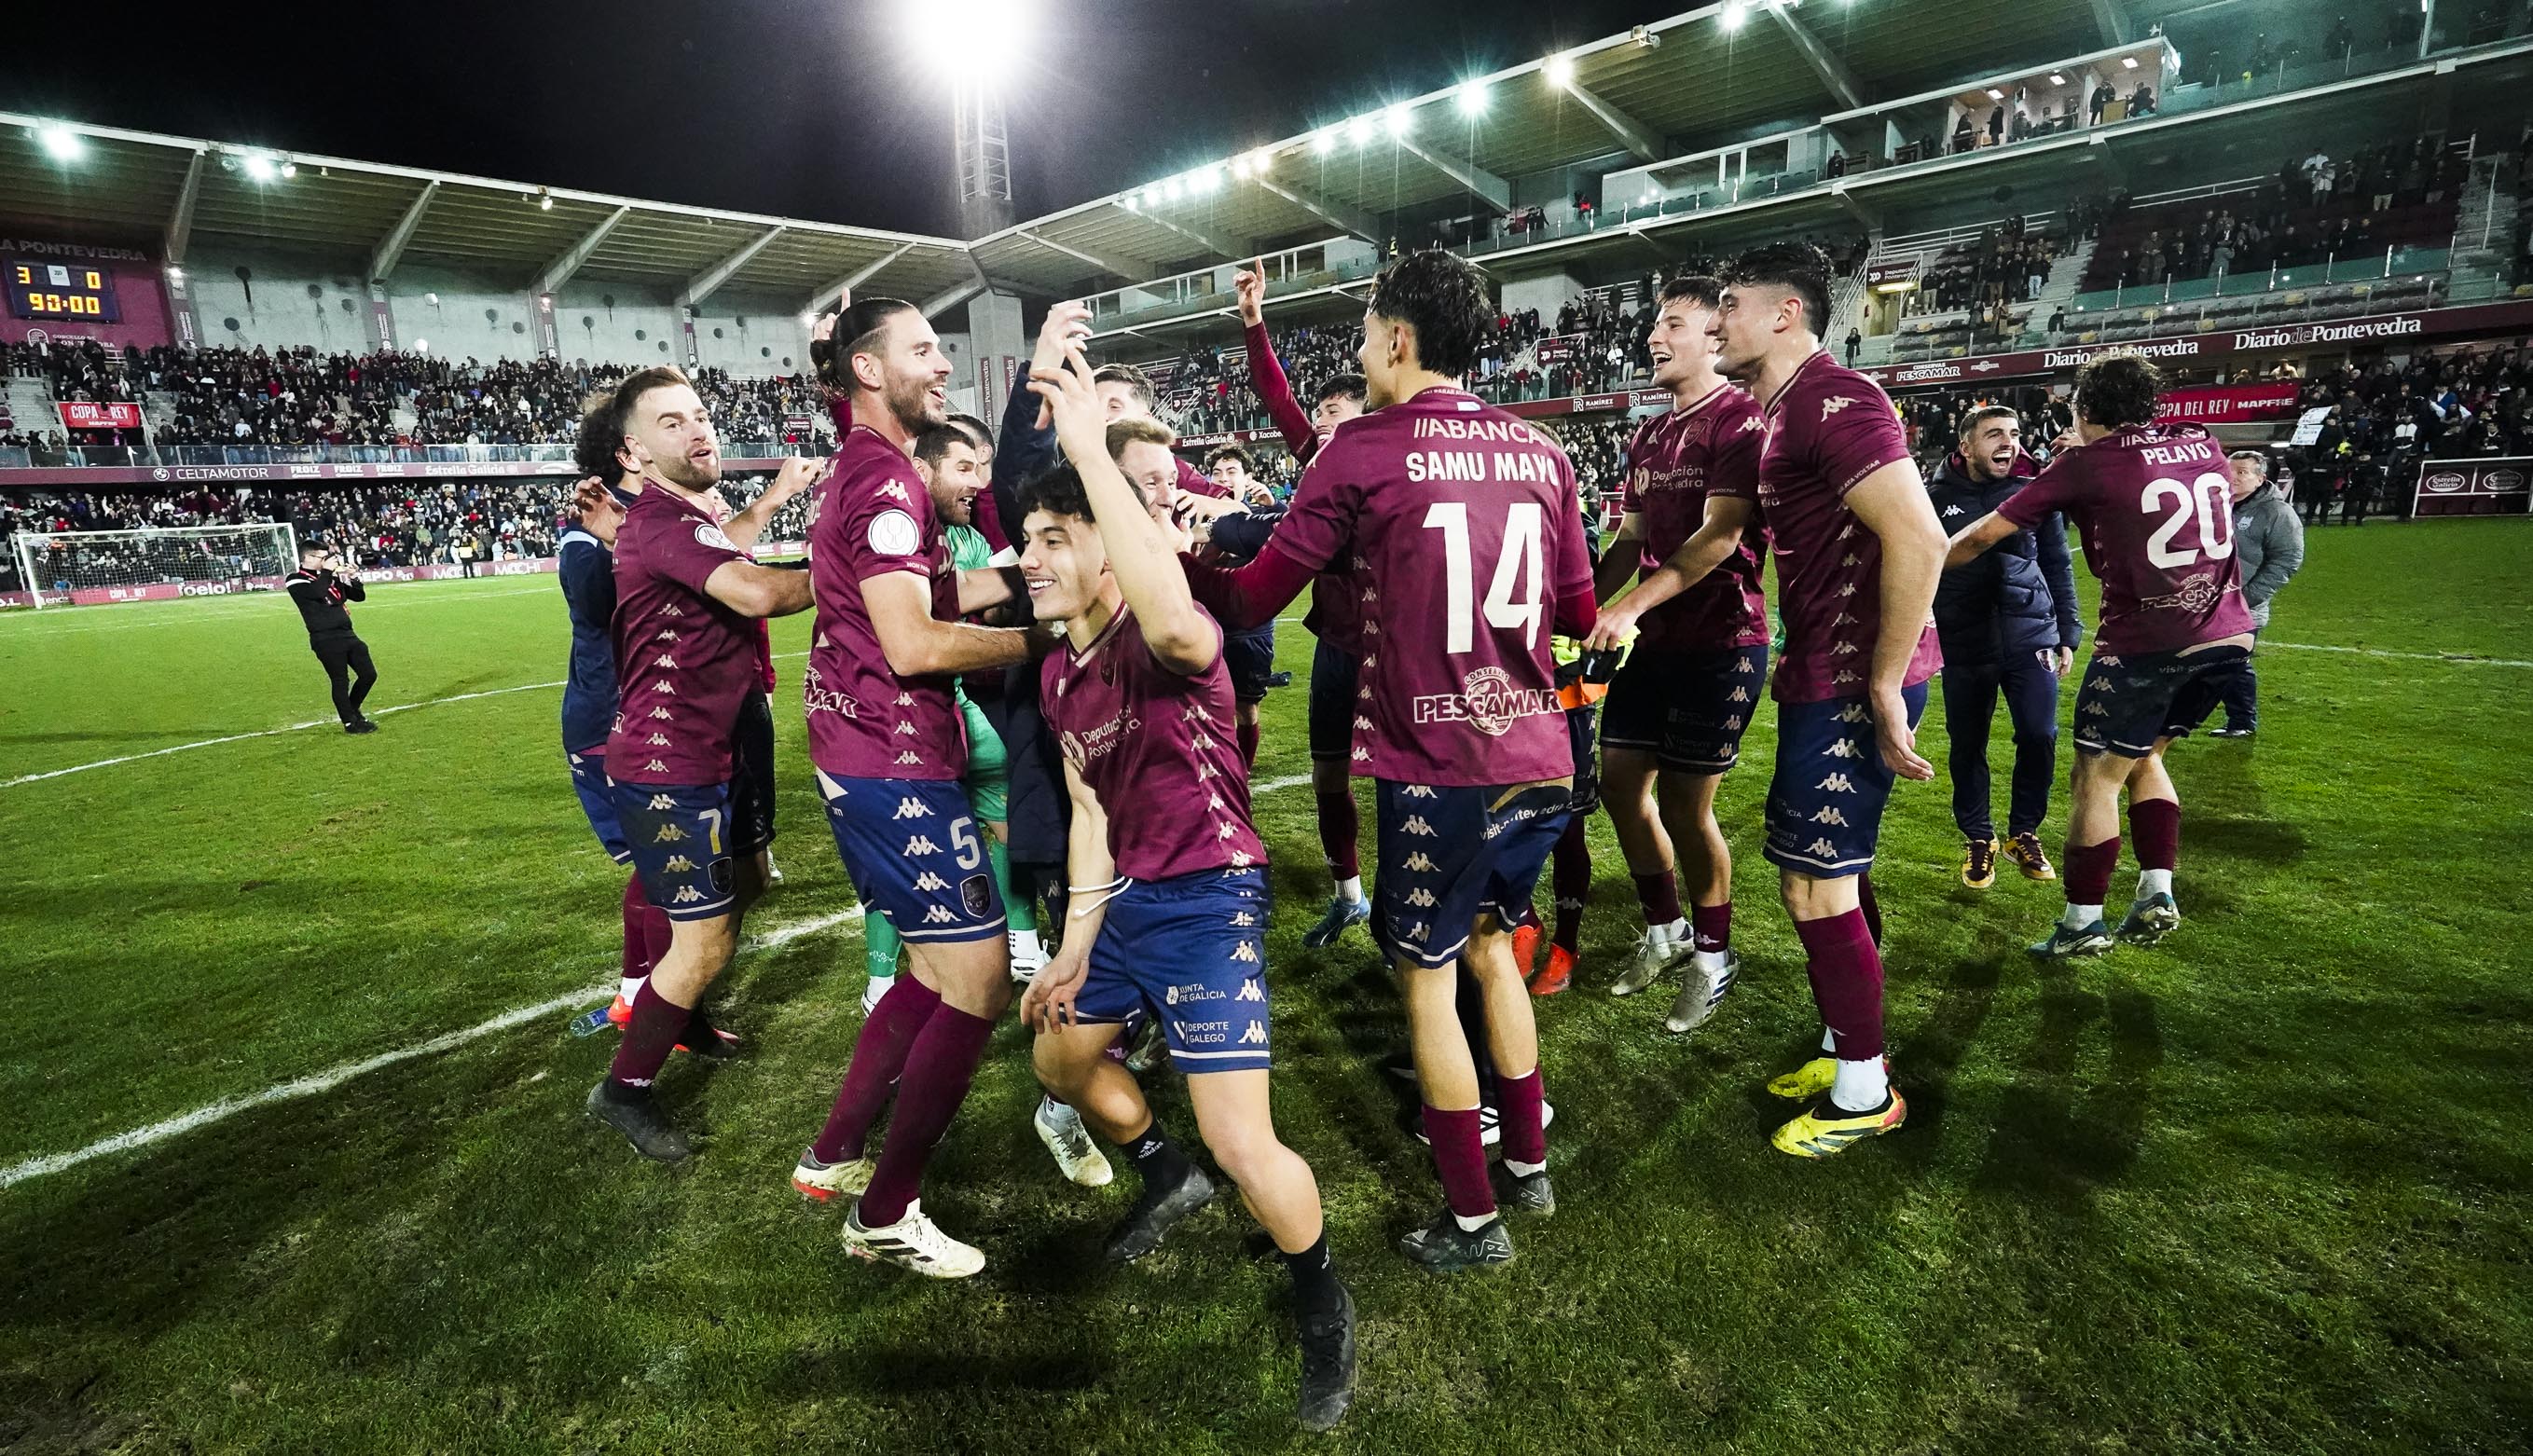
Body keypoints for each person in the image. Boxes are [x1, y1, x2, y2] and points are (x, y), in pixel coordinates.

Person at [1184, 249, 1597, 1271]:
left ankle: (1470, 1219)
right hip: (1537, 748)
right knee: (1494, 946)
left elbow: (1247, 603)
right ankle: (1530, 1163)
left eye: (1366, 329)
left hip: (1439, 758)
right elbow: (1580, 615)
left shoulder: (1362, 448)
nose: (1360, 347)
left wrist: (1170, 548)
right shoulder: (1540, 453)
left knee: (1425, 979)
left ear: (1399, 337)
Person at [1012, 357, 1356, 1431]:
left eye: (1051, 540)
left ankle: (1321, 1295)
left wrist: (1086, 452)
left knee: (1244, 1141)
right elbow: (1088, 815)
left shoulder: (1174, 637)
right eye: (1026, 541)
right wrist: (1074, 948)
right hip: (1127, 909)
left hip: (1209, 901)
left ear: (1107, 554)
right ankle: (1162, 1172)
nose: (1028, 560)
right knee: (1058, 1054)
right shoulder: (1057, 672)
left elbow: (1167, 623)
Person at [789, 298, 1037, 1278]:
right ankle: (885, 1213)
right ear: (865, 367)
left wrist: (1031, 576)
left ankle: (835, 1149)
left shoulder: (874, 469)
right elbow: (913, 640)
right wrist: (1051, 641)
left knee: (924, 973)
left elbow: (931, 595)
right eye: (925, 349)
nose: (944, 365)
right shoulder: (886, 481)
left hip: (866, 752)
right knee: (974, 980)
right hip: (888, 762)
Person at [1708, 240, 1947, 1159]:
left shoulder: (1835, 398)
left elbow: (1918, 540)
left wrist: (1883, 683)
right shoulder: (1776, 414)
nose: (1716, 318)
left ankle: (1864, 1090)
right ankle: (1843, 1043)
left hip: (1853, 679)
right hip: (1821, 672)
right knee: (1815, 870)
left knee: (1816, 882)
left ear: (1783, 313)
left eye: (1729, 302)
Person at [1944, 352, 2254, 961]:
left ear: (2085, 410)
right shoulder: (2199, 439)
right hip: (2229, 637)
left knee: (2093, 778)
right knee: (2144, 756)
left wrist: (1910, 566)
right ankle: (2156, 889)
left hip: (2147, 644)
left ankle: (2082, 922)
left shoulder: (2082, 465)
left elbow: (1981, 536)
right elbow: (2145, 461)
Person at [585, 366, 819, 1162]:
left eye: (700, 415)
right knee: (705, 941)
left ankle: (678, 1017)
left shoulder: (691, 518)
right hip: (668, 760)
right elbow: (756, 594)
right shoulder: (657, 520)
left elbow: (733, 551)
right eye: (673, 422)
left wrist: (779, 498)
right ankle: (623, 1091)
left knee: (748, 881)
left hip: (717, 743)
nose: (698, 431)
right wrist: (862, 576)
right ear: (635, 451)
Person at [1581, 276, 1769, 1028]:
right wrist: (1577, 609)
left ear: (1712, 337)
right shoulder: (1649, 434)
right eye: (1654, 326)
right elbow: (1628, 539)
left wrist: (1624, 608)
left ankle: (1713, 957)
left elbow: (1721, 535)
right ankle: (1664, 932)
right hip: (1652, 644)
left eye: (1672, 325)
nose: (1654, 338)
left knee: (1690, 812)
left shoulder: (1740, 420)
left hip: (1719, 644)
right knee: (1620, 786)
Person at [1220, 260, 1372, 947]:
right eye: (1319, 416)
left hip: (1392, 649)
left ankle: (1417, 910)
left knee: (1406, 787)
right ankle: (1349, 894)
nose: (1319, 424)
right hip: (1338, 645)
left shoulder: (1382, 461)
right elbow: (1274, 394)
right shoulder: (1317, 457)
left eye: (1335, 413)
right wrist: (1254, 321)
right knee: (1327, 775)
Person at [1091, 363, 1275, 767]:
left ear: (1142, 414)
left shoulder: (1168, 469)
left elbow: (1234, 509)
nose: (1099, 413)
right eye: (1093, 403)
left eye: (1113, 404)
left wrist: (1197, 509)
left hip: (1166, 619)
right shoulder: (1077, 469)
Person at [1927, 405, 2081, 889]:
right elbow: (1917, 568)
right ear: (1966, 445)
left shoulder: (2034, 492)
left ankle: (2023, 832)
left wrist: (2068, 631)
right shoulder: (1932, 497)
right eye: (1994, 434)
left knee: (2039, 733)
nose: (2008, 442)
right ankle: (1978, 837)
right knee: (1967, 742)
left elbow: (2058, 562)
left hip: (2029, 635)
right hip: (1963, 638)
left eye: (2014, 433)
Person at [560, 405, 671, 1029]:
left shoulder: (662, 517)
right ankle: (645, 1001)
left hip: (659, 715)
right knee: (656, 866)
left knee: (711, 870)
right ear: (628, 451)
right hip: (611, 723)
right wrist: (613, 535)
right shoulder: (584, 541)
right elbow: (605, 605)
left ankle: (651, 997)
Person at [2168, 449, 2303, 739]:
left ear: (2260, 479)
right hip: (2204, 600)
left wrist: (2247, 596)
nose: (2233, 477)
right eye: (2230, 470)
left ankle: (2242, 720)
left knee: (2233, 663)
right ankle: (2177, 720)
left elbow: (2287, 559)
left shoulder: (2276, 512)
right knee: (2186, 659)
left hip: (2243, 606)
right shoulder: (2213, 504)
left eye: (2242, 472)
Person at [284, 543, 379, 734]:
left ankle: (352, 710)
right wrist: (327, 573)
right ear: (308, 558)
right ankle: (350, 722)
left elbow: (358, 597)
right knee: (340, 680)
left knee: (369, 674)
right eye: (323, 557)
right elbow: (316, 593)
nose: (327, 560)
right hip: (325, 638)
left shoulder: (329, 578)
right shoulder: (295, 580)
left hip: (347, 634)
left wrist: (353, 578)